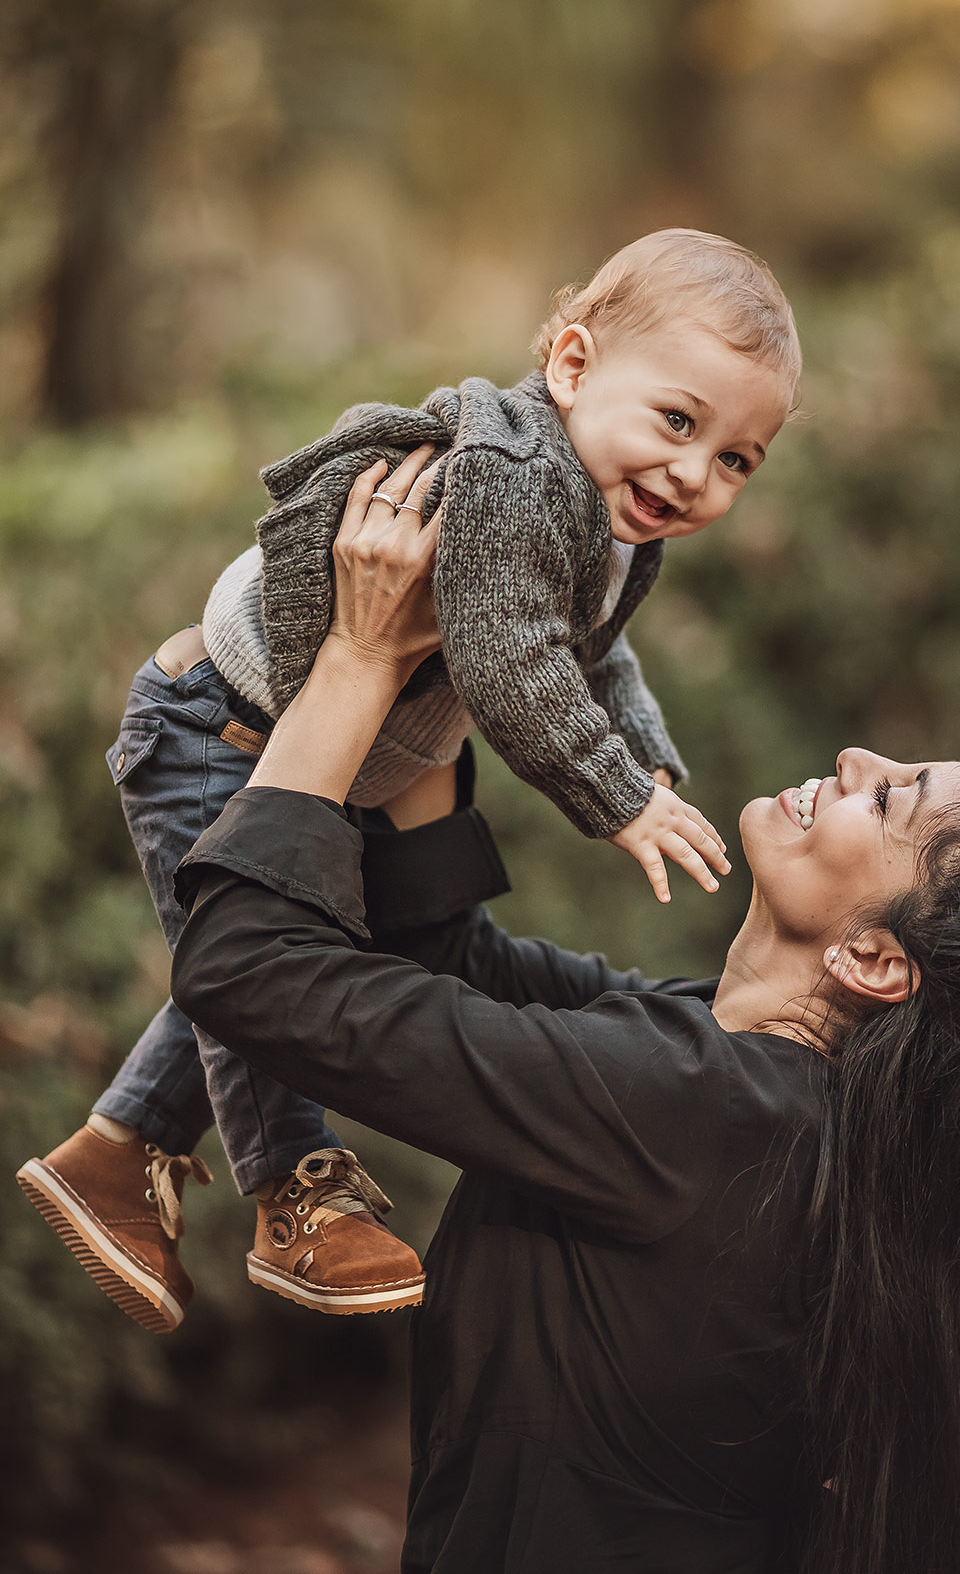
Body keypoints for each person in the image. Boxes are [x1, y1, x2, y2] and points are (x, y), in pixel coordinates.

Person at [165, 449, 960, 1574]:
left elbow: (249, 971)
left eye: (890, 796)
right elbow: (449, 964)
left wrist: (359, 656)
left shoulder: (701, 1106)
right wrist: (458, 664)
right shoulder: (753, 1083)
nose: (855, 757)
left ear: (874, 959)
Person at [16, 229, 799, 1330]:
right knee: (269, 950)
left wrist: (645, 751)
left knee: (322, 948)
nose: (693, 473)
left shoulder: (611, 516)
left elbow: (591, 647)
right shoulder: (518, 478)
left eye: (735, 460)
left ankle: (114, 1151)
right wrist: (614, 797)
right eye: (678, 420)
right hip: (219, 728)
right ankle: (296, 1186)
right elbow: (511, 658)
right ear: (571, 367)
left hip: (347, 754)